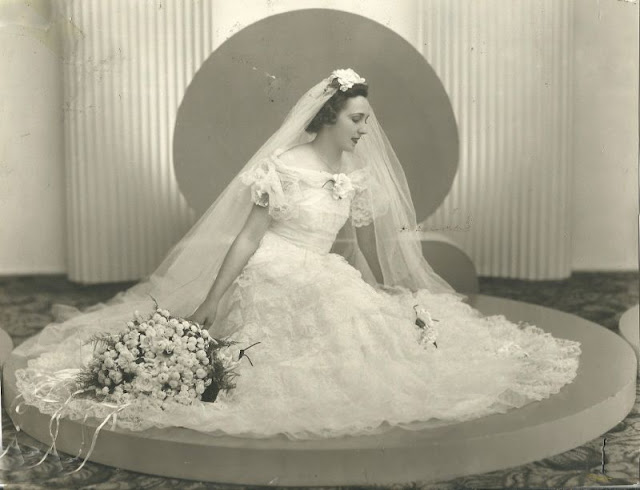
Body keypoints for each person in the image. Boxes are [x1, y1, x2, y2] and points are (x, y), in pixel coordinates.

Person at [13, 68, 581, 440]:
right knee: (304, 342)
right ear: (329, 117)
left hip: (322, 267)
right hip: (273, 266)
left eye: (366, 119)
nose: (365, 129)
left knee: (370, 328)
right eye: (357, 119)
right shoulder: (284, 166)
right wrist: (211, 298)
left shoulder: (354, 173)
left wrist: (379, 288)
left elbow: (360, 245)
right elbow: (248, 238)